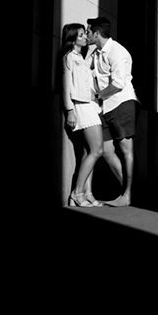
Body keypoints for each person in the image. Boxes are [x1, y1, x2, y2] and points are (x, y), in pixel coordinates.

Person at [87, 17, 139, 206]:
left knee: (126, 149)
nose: (86, 35)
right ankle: (127, 190)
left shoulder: (118, 52)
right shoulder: (95, 53)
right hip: (105, 106)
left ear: (97, 33)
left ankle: (127, 195)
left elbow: (118, 84)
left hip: (122, 103)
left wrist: (98, 96)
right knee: (107, 150)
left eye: (88, 31)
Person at [60, 23, 103, 207]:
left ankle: (88, 193)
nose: (85, 37)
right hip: (81, 107)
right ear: (72, 38)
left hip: (91, 106)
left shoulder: (82, 59)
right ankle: (77, 193)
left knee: (88, 152)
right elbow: (67, 86)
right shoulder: (69, 57)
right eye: (81, 35)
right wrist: (69, 110)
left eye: (85, 34)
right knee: (97, 150)